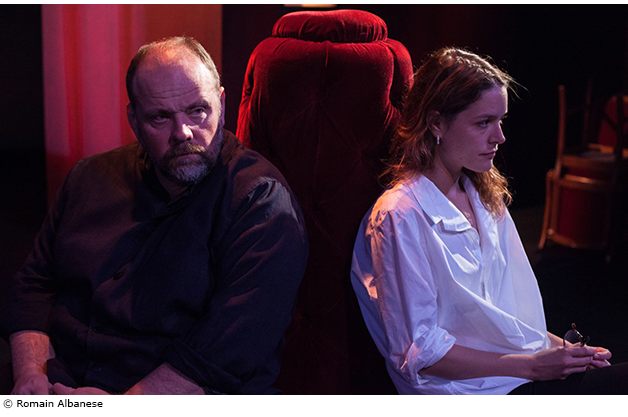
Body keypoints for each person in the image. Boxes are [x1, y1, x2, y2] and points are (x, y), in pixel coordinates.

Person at [1, 36, 308, 395]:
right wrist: (30, 376)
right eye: (160, 117)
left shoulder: (261, 203)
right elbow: (34, 285)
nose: (183, 133)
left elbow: (225, 352)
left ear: (222, 104)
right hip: (57, 382)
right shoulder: (88, 177)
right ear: (134, 120)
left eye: (198, 110)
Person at [351, 47, 628, 394]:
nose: (499, 137)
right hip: (467, 393)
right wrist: (534, 365)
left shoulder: (483, 196)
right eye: (483, 123)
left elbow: (504, 324)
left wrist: (565, 351)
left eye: (500, 121)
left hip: (516, 376)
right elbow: (420, 352)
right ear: (436, 123)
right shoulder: (400, 215)